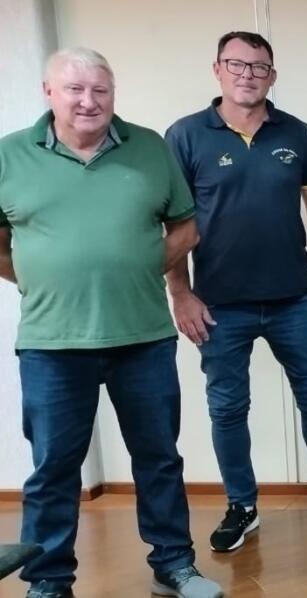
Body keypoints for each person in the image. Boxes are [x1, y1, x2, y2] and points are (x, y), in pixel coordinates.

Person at [0, 48, 223, 598]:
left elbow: (186, 228)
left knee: (158, 459)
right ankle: (49, 581)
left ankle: (174, 566)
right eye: (74, 89)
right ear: (48, 93)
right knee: (54, 468)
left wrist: (139, 269)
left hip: (143, 337)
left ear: (113, 93)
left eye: (100, 89)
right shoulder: (9, 155)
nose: (88, 101)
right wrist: (37, 277)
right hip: (51, 343)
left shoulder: (149, 147)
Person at [164, 30, 307, 553]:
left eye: (258, 66)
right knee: (228, 407)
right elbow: (173, 223)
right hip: (218, 303)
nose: (247, 75)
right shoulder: (185, 135)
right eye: (236, 64)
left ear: (272, 76)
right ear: (217, 70)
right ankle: (242, 506)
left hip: (292, 299)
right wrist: (180, 294)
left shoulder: (294, 132)